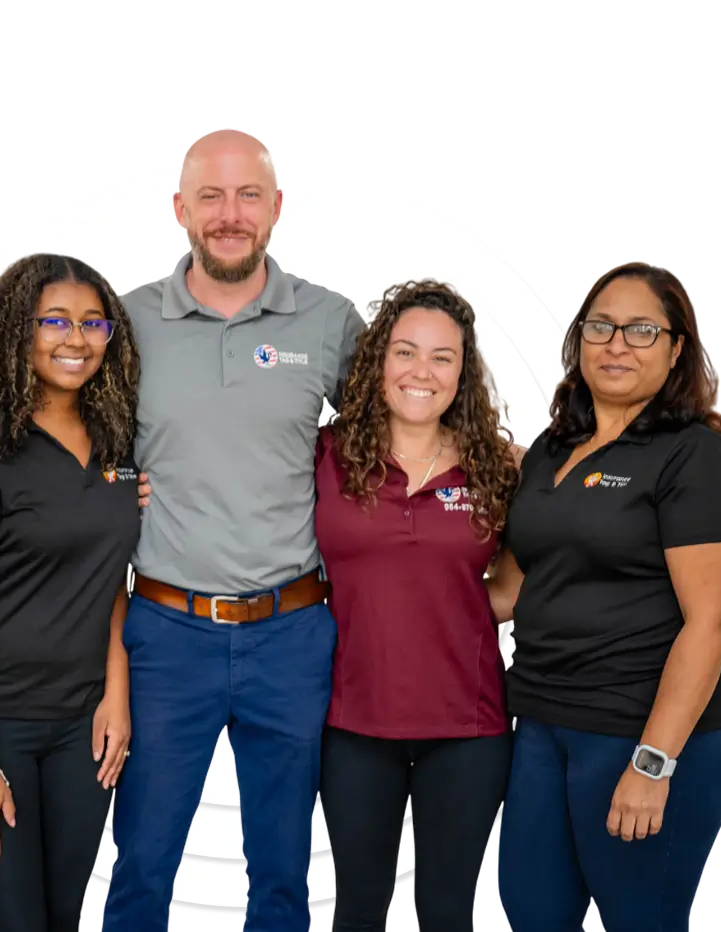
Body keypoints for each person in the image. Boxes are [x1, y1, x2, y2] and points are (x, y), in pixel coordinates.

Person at [101, 129, 367, 932]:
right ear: (179, 208)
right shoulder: (124, 321)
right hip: (163, 632)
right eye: (210, 197)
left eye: (247, 195)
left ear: (276, 209)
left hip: (290, 634)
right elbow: (80, 448)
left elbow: (398, 438)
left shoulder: (328, 321)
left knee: (282, 874)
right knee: (141, 866)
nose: (229, 214)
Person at [487, 261, 721, 931]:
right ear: (577, 341)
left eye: (640, 330)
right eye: (599, 326)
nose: (615, 345)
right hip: (545, 721)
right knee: (530, 911)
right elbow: (510, 592)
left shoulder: (694, 459)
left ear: (674, 350)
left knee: (639, 917)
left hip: (646, 730)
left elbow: (715, 620)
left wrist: (652, 763)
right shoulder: (552, 449)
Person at [0, 252, 142, 932]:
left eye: (92, 323)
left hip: (83, 729)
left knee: (62, 915)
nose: (75, 340)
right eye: (53, 321)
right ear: (16, 331)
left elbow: (112, 582)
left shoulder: (119, 442)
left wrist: (116, 692)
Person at [314, 279, 524, 931]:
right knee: (357, 908)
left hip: (467, 725)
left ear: (463, 373)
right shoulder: (325, 453)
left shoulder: (498, 467)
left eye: (442, 357)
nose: (421, 372)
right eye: (404, 352)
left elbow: (517, 581)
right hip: (353, 724)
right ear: (377, 360)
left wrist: (459, 608)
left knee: (445, 909)